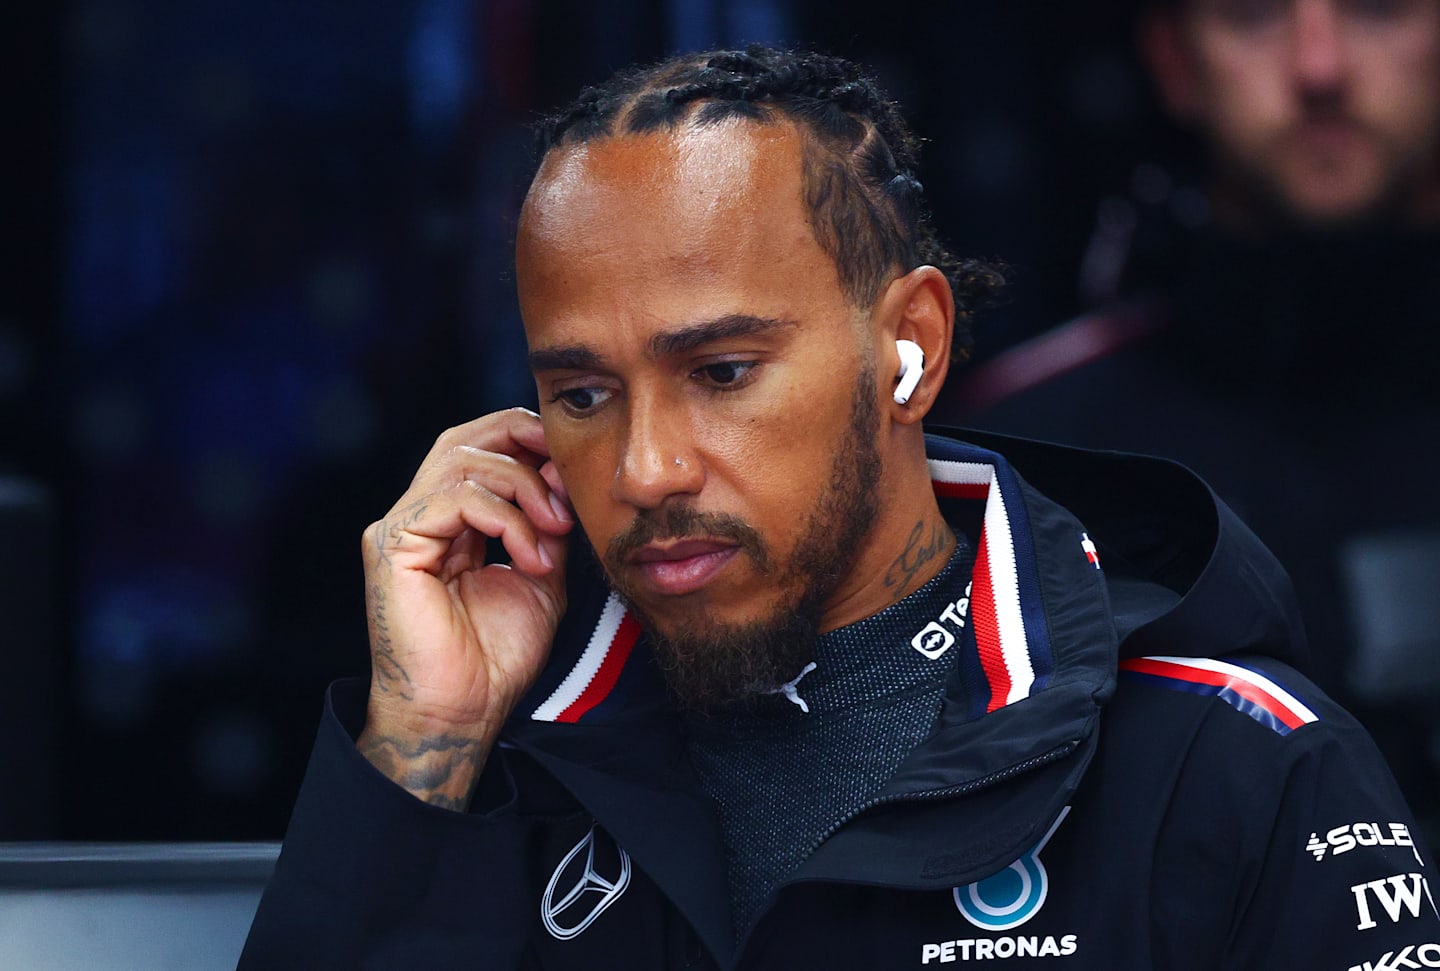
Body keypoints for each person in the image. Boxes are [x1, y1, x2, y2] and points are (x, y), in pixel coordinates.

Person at [241, 46, 1438, 969]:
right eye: (585, 392)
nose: (647, 466)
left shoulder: (1230, 762)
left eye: (720, 372)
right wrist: (422, 746)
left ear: (908, 347)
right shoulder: (497, 766)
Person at [957, 0, 1440, 845]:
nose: (1319, 68)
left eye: (1379, 8)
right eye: (1253, 16)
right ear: (1177, 64)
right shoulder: (1025, 452)